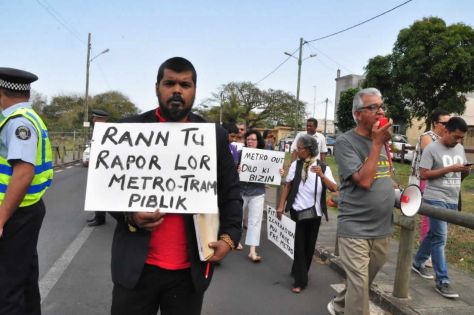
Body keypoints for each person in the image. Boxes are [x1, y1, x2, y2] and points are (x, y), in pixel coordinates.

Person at [107, 57, 242, 315]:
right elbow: (109, 191)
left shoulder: (214, 136)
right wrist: (131, 216)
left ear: (194, 90)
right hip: (136, 269)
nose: (177, 90)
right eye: (169, 83)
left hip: (188, 272)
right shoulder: (129, 130)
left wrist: (229, 235)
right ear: (157, 87)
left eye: (185, 84)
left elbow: (230, 193)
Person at [328, 88, 394, 315]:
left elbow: (383, 174)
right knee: (359, 283)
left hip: (382, 227)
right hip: (355, 227)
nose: (380, 111)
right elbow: (364, 181)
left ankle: (338, 305)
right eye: (373, 107)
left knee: (362, 282)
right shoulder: (345, 142)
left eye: (382, 106)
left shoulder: (383, 140)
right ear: (358, 114)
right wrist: (376, 144)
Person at [0, 67, 53, 314]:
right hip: (26, 209)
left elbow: (23, 172)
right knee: (24, 278)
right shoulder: (28, 116)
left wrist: (1, 219)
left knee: (7, 287)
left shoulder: (18, 122)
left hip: (17, 212)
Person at [411, 117, 470, 299]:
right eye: (456, 136)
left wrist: (465, 171)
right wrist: (449, 168)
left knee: (433, 235)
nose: (458, 141)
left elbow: (460, 174)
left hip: (452, 198)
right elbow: (424, 174)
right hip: (435, 199)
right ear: (446, 131)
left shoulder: (459, 148)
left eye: (461, 138)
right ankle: (442, 281)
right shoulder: (431, 148)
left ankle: (418, 261)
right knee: (440, 239)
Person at [276, 134, 337, 293]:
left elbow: (334, 188)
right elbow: (288, 187)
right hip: (297, 211)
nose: (297, 150)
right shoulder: (296, 165)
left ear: (309, 150)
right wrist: (281, 206)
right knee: (298, 245)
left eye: (300, 148)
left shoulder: (323, 167)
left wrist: (322, 176)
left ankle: (298, 269)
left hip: (315, 213)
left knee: (309, 247)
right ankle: (300, 281)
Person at [409, 109, 449, 267]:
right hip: (425, 179)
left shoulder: (444, 139)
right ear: (435, 123)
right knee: (428, 216)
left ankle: (428, 253)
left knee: (438, 217)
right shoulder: (427, 137)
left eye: (449, 123)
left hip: (439, 181)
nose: (447, 126)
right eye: (444, 123)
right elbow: (434, 157)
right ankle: (426, 254)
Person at [87, 109, 110, 227]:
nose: (93, 119)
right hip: (98, 166)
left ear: (102, 119)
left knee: (100, 192)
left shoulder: (106, 131)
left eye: (95, 118)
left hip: (103, 168)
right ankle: (98, 216)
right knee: (96, 192)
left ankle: (100, 218)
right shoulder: (98, 130)